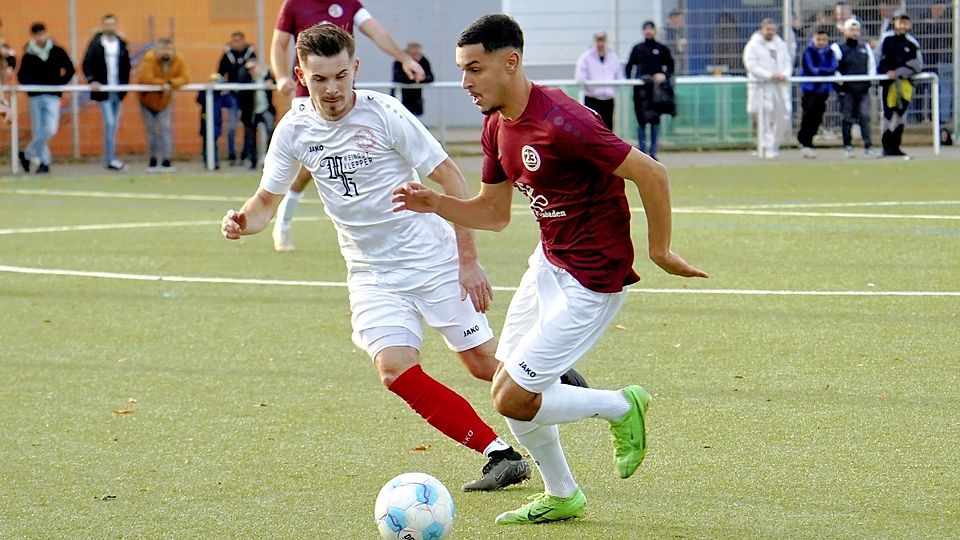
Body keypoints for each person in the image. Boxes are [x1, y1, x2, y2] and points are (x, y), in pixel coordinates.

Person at [393, 13, 708, 525]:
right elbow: (493, 215)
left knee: (514, 397)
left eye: (474, 69)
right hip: (549, 263)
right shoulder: (496, 124)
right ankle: (563, 494)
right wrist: (435, 204)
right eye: (462, 70)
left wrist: (659, 250)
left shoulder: (564, 121)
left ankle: (621, 406)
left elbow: (651, 172)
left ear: (510, 62)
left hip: (593, 278)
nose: (465, 82)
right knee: (508, 389)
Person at [221, 23, 536, 493]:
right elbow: (266, 201)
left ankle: (572, 388)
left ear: (356, 70)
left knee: (484, 365)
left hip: (431, 260)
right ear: (301, 76)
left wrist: (467, 261)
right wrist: (242, 222)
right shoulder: (294, 128)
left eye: (341, 76)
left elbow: (453, 182)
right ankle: (500, 454)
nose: (332, 89)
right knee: (394, 369)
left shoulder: (385, 114)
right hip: (370, 272)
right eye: (320, 79)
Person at [269, 0, 426, 252]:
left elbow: (377, 32)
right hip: (309, 98)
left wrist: (404, 58)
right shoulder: (294, 4)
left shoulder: (349, 3)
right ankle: (283, 223)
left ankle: (375, 227)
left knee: (360, 159)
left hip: (348, 101)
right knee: (306, 168)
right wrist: (280, 76)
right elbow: (279, 44)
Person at [16, 22, 75, 174]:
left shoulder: (57, 51)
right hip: (35, 96)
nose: (40, 38)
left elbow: (70, 68)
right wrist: (30, 87)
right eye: (37, 35)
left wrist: (59, 83)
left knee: (50, 128)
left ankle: (27, 154)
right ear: (33, 36)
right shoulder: (29, 54)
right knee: (38, 129)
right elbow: (22, 75)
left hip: (52, 94)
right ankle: (44, 162)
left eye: (42, 34)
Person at [82, 13, 131, 171]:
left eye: (112, 24)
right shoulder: (96, 44)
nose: (110, 27)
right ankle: (110, 158)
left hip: (118, 89)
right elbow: (86, 63)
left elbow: (126, 65)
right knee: (109, 123)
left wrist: (125, 84)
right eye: (107, 24)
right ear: (103, 26)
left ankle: (111, 157)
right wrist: (92, 80)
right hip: (104, 91)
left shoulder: (121, 44)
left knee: (114, 125)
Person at [742, 19, 792, 159]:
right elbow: (751, 65)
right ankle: (766, 147)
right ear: (762, 29)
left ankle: (774, 145)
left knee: (784, 114)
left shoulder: (780, 44)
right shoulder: (753, 45)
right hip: (762, 85)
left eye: (773, 29)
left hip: (779, 84)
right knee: (764, 114)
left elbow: (787, 61)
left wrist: (784, 74)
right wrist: (770, 75)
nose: (770, 32)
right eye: (768, 29)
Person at [138, 37, 190, 173]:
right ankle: (153, 160)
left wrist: (171, 84)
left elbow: (185, 77)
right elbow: (145, 77)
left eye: (169, 49)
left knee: (165, 128)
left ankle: (166, 160)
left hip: (165, 100)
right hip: (147, 100)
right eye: (162, 49)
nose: (166, 53)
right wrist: (163, 84)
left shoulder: (178, 60)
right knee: (151, 130)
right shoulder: (149, 58)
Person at [625, 21, 675, 161]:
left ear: (655, 31)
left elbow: (670, 66)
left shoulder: (662, 49)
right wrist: (630, 81)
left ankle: (653, 153)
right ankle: (642, 152)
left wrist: (664, 76)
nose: (648, 31)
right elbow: (629, 66)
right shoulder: (637, 49)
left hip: (656, 92)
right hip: (640, 92)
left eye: (651, 29)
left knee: (654, 121)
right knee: (641, 121)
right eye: (646, 29)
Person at [831, 18, 880, 158]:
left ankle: (868, 146)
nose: (854, 33)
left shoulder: (865, 48)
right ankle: (848, 146)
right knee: (847, 118)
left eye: (857, 30)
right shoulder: (837, 48)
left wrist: (869, 81)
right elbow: (835, 68)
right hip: (846, 91)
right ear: (845, 31)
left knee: (864, 117)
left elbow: (871, 66)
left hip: (863, 90)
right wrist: (841, 83)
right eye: (851, 30)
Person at [877, 12, 922, 159]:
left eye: (905, 22)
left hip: (904, 84)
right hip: (887, 84)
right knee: (887, 114)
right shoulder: (886, 39)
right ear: (894, 23)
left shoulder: (912, 43)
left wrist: (899, 72)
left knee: (901, 115)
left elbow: (917, 65)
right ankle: (886, 146)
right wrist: (886, 72)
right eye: (900, 22)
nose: (902, 25)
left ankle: (896, 146)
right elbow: (879, 59)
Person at [797, 30, 837, 158]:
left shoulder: (830, 52)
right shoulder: (808, 52)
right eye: (818, 39)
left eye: (823, 40)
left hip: (823, 90)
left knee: (818, 116)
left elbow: (833, 68)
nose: (821, 42)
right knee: (808, 115)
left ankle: (809, 141)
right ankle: (804, 141)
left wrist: (821, 70)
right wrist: (822, 71)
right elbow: (810, 69)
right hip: (810, 90)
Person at [218, 32, 256, 166]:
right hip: (233, 95)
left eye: (239, 41)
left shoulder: (250, 53)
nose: (237, 43)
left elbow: (255, 69)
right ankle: (232, 155)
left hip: (247, 96)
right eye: (234, 41)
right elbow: (220, 73)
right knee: (232, 126)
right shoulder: (227, 55)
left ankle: (246, 154)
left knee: (248, 126)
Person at [574, 31, 620, 131]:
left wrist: (611, 91)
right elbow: (580, 76)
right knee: (591, 127)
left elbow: (619, 76)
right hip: (592, 98)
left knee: (607, 128)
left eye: (602, 40)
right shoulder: (586, 57)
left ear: (606, 41)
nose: (600, 43)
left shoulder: (613, 57)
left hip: (608, 99)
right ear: (595, 41)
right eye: (598, 40)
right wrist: (593, 89)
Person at [239, 61, 276, 170]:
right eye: (249, 69)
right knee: (250, 137)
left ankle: (270, 160)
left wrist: (270, 80)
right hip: (251, 112)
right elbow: (241, 82)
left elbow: (274, 80)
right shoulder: (246, 79)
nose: (252, 70)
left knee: (270, 134)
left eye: (253, 68)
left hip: (265, 109)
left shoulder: (266, 77)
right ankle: (253, 161)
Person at [392, 42, 434, 117]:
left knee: (415, 116)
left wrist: (421, 79)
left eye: (418, 54)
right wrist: (413, 78)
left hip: (416, 96)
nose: (416, 56)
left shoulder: (423, 61)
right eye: (414, 54)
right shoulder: (400, 61)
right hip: (401, 95)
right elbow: (397, 78)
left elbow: (430, 77)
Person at [197, 73, 225, 169]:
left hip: (216, 122)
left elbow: (228, 102)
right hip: (205, 121)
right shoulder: (206, 93)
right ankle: (207, 161)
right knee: (206, 142)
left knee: (214, 142)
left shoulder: (220, 95)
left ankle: (214, 161)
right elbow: (199, 99)